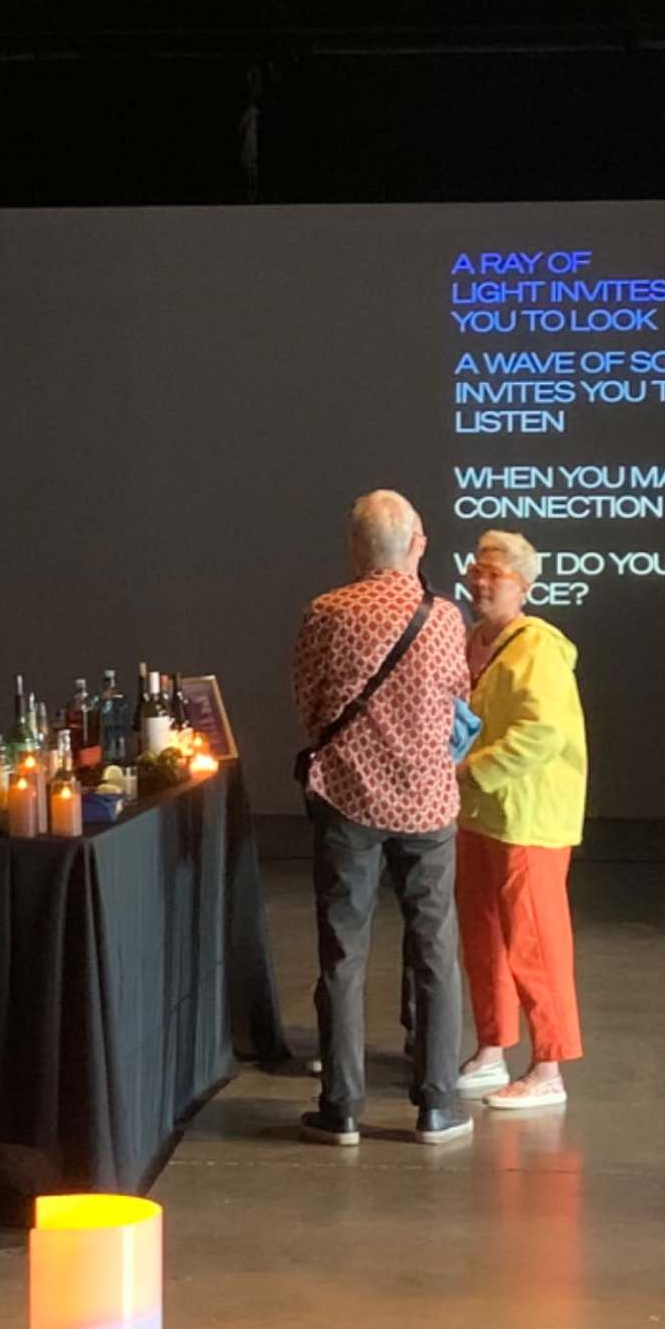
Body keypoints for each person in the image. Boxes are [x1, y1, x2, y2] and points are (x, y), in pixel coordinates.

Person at [291, 490, 476, 1146]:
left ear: (354, 546)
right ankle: (436, 1105)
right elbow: (460, 698)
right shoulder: (446, 617)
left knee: (344, 952)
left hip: (347, 801)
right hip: (427, 804)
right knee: (434, 949)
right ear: (417, 542)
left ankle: (341, 1108)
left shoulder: (326, 613)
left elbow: (311, 705)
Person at [454, 529, 588, 1115]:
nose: (481, 582)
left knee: (535, 939)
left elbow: (542, 733)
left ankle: (549, 1064)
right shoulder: (471, 640)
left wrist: (469, 770)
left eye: (497, 576)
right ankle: (492, 1048)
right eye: (477, 570)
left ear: (525, 587)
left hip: (529, 814)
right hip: (479, 812)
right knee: (481, 935)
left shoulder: (539, 647)